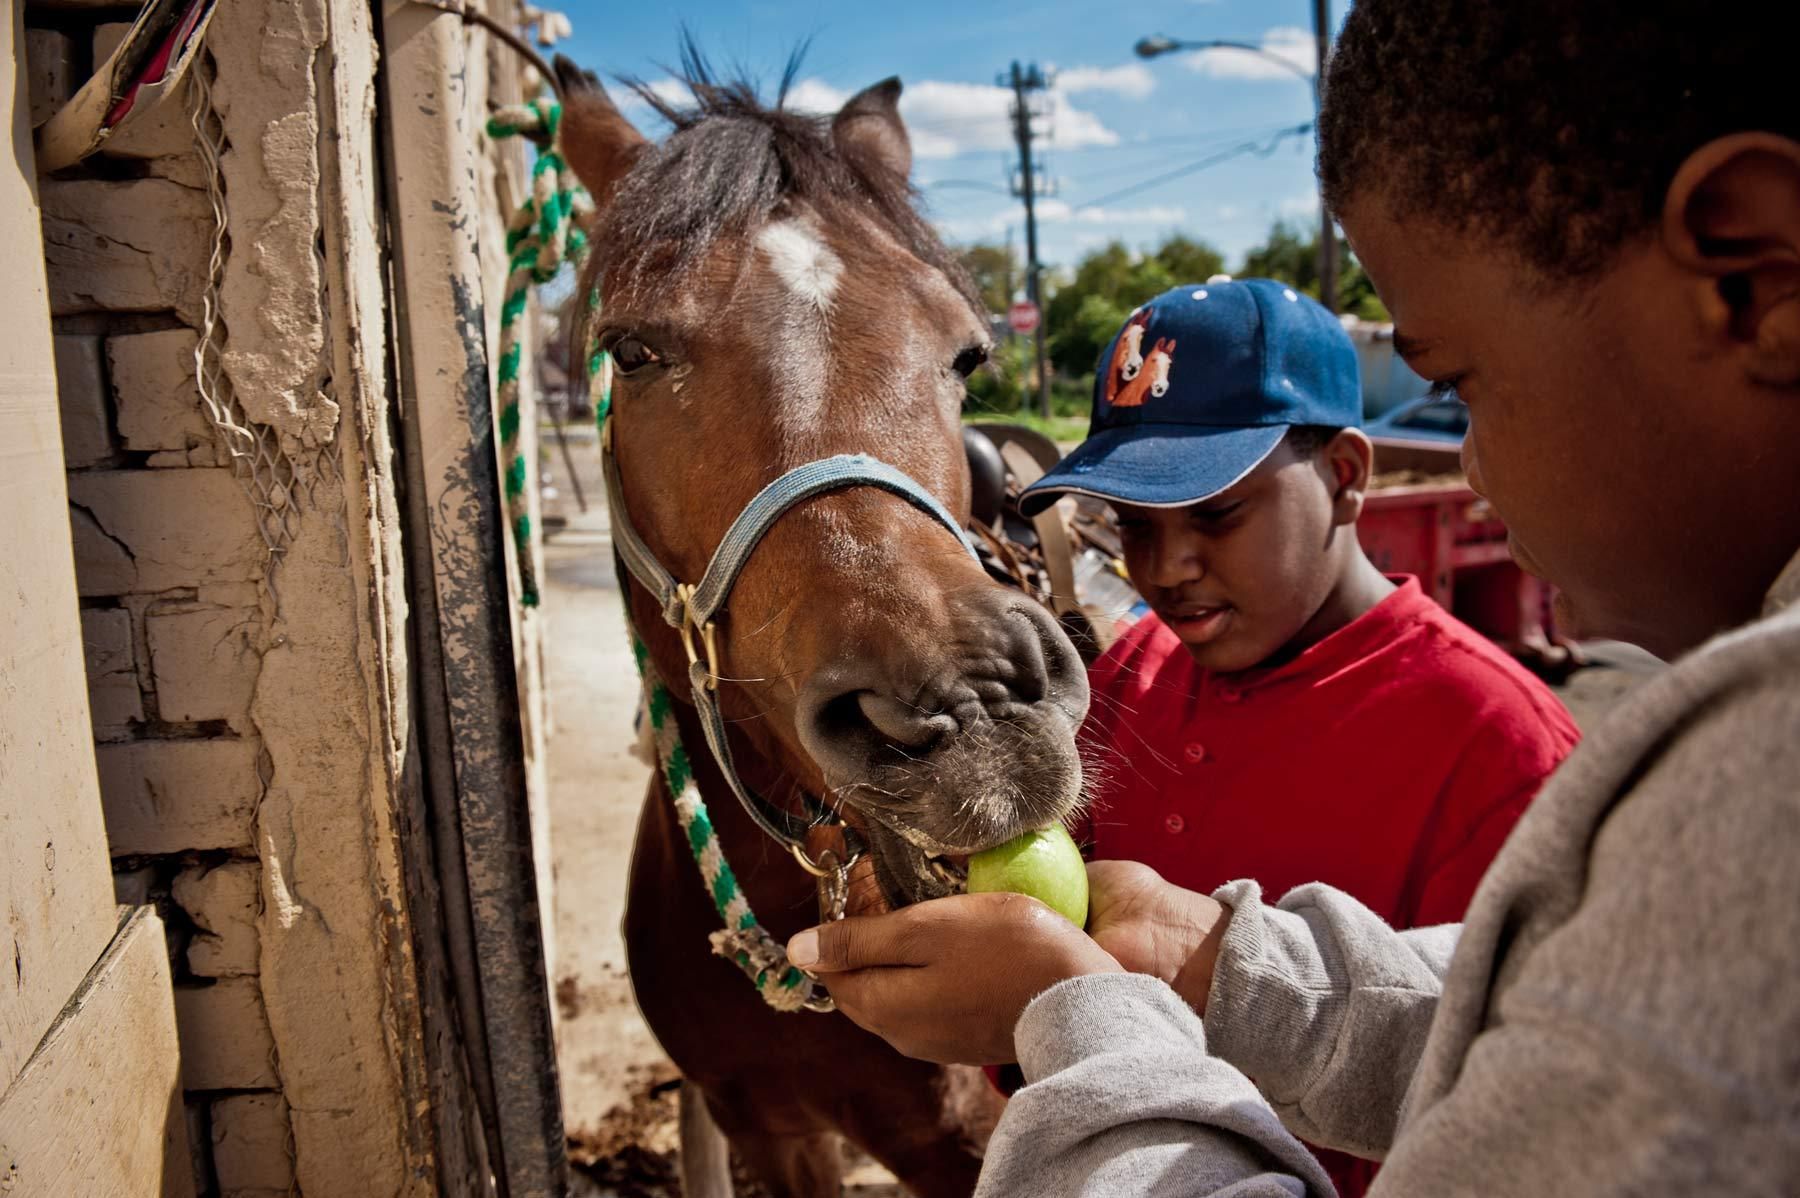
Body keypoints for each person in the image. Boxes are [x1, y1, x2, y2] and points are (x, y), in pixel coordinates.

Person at [783, 1, 1800, 1193]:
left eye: (1464, 383)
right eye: (1131, 527)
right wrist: (1165, 960)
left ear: (1747, 272)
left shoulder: (1569, 754)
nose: (1475, 468)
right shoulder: (1134, 676)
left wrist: (1080, 1025)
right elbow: (1530, 1017)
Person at [994, 279, 1579, 1196]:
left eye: (1217, 514)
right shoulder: (1131, 673)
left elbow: (1517, 1110)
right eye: (1134, 526)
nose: (1165, 567)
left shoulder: (1496, 744)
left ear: (1345, 476)